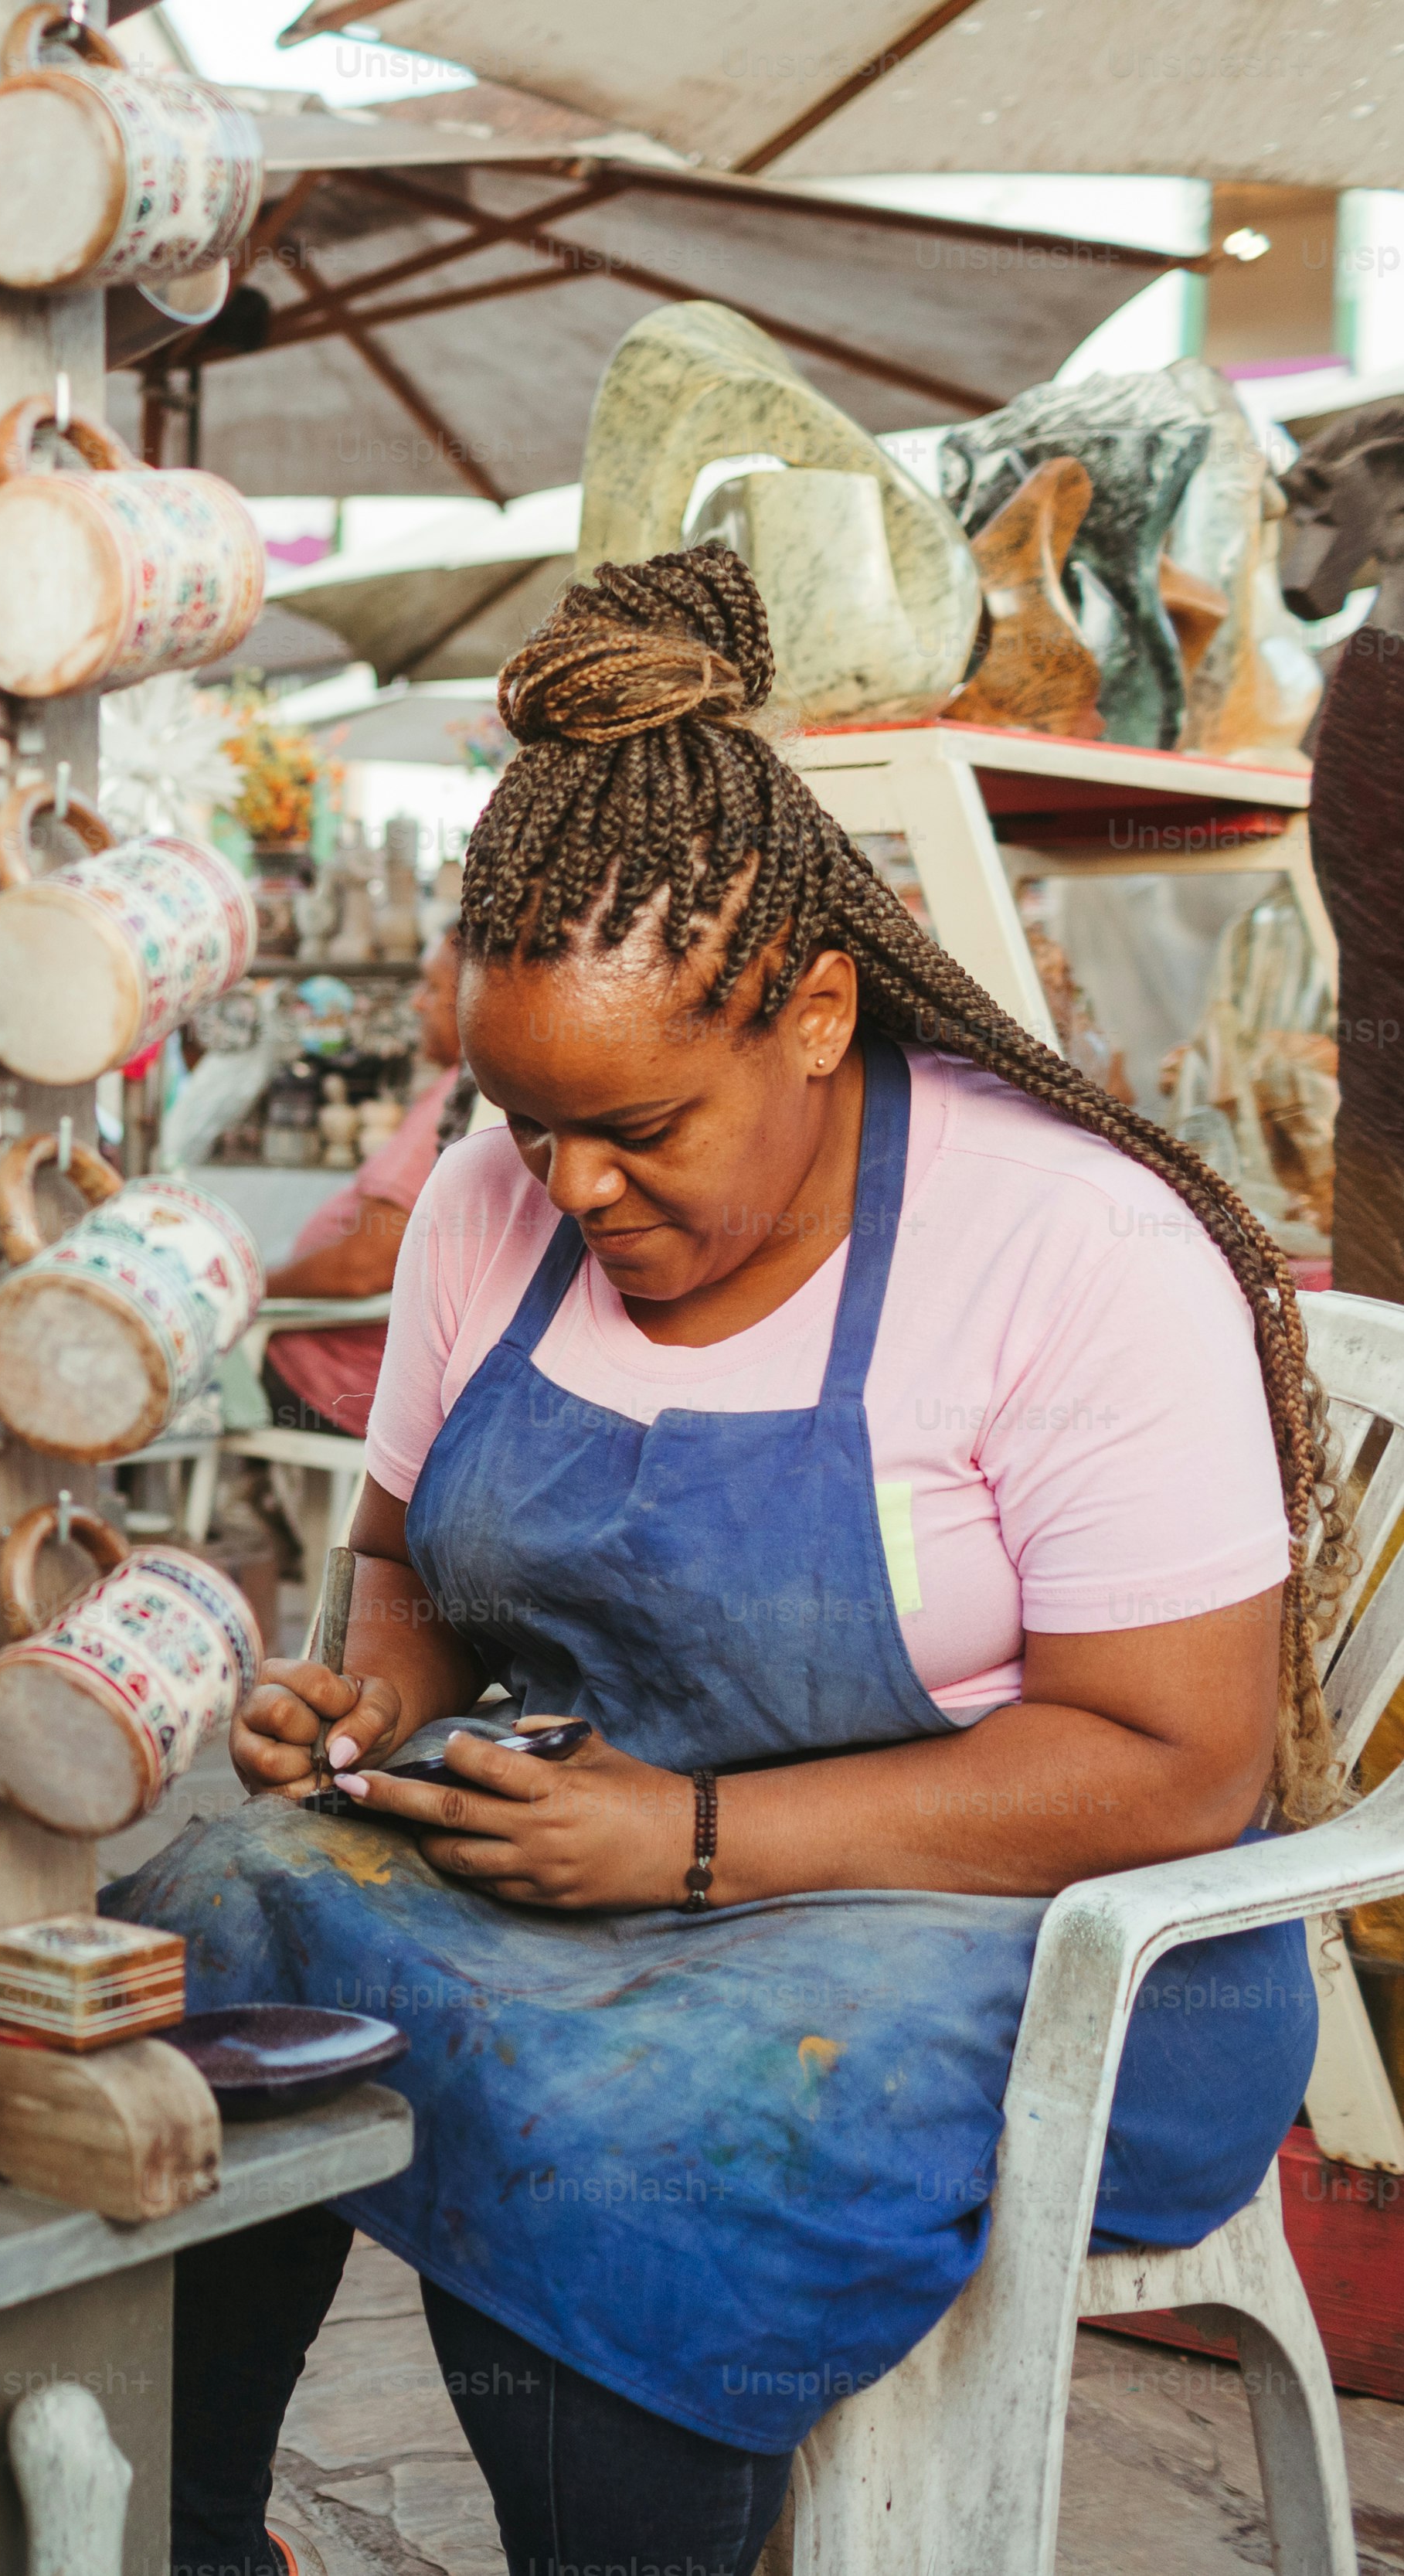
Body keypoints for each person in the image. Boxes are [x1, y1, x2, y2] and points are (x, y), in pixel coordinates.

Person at [117, 550, 1341, 2576]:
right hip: (620, 1848)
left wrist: (696, 1841)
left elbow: (1179, 1760)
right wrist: (373, 1695)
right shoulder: (496, 1200)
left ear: (817, 1012)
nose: (566, 1180)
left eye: (639, 1124)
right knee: (200, 1911)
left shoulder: (1075, 1247)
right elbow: (403, 1560)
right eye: (523, 1115)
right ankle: (199, 2541)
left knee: (638, 2136)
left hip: (1040, 1930)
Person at [260, 933, 463, 1434]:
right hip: (348, 1362)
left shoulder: (457, 1100)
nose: (417, 1003)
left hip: (331, 1376)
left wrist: (255, 1291)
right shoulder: (462, 1093)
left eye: (432, 989)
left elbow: (365, 1266)